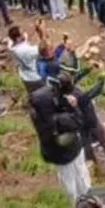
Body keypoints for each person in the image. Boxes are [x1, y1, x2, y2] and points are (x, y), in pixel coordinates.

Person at [28, 71, 91, 202]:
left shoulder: (38, 115)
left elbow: (44, 99)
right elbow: (79, 121)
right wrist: (74, 107)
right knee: (80, 179)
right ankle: (86, 201)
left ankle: (73, 203)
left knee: (66, 183)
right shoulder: (60, 119)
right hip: (70, 151)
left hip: (54, 154)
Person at [8, 25, 45, 93]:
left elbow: (26, 36)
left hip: (25, 76)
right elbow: (44, 48)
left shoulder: (11, 45)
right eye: (22, 33)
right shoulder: (26, 50)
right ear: (18, 38)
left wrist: (36, 29)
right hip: (35, 77)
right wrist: (41, 33)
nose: (24, 34)